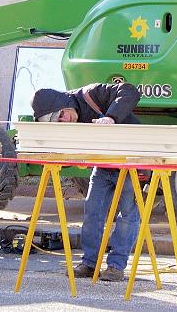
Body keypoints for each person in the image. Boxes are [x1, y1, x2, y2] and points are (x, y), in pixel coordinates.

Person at [31, 83, 142, 282]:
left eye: (61, 115)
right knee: (93, 213)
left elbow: (130, 91)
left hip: (129, 163)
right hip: (102, 167)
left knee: (127, 215)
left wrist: (111, 117)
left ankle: (116, 266)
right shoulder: (67, 122)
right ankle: (90, 263)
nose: (64, 121)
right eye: (57, 122)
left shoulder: (92, 94)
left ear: (63, 103)